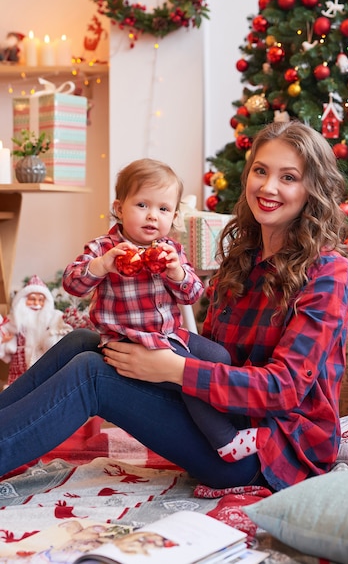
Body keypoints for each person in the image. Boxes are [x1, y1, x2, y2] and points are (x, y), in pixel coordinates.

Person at [0, 121, 348, 492]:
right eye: (261, 171)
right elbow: (216, 354)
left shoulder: (328, 274)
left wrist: (174, 369)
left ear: (312, 189)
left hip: (265, 449)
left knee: (92, 374)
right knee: (83, 342)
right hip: (220, 414)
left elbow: (283, 390)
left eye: (289, 177)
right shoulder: (245, 257)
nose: (268, 187)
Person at [61, 158, 264, 463]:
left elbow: (195, 293)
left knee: (219, 357)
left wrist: (176, 273)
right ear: (119, 207)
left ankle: (214, 423)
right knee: (190, 370)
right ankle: (225, 440)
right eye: (142, 205)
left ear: (174, 216)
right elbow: (72, 284)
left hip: (168, 333)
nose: (152, 216)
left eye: (163, 209)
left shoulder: (171, 250)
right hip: (128, 339)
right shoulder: (103, 248)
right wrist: (102, 266)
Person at [0, 275, 72, 385]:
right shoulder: (15, 320)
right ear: (24, 300)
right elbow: (3, 331)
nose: (37, 303)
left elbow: (61, 331)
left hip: (40, 362)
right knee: (15, 390)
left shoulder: (52, 319)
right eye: (32, 299)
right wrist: (4, 339)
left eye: (41, 300)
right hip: (18, 365)